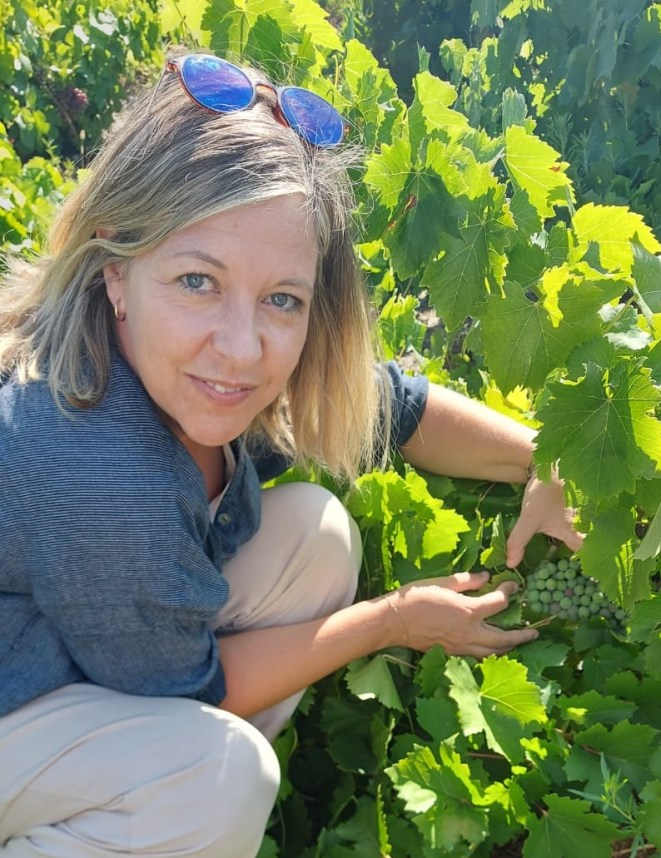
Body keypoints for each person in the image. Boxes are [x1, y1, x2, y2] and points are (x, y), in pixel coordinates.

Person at [0, 53, 582, 857]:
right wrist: (391, 621)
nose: (243, 349)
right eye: (198, 281)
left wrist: (545, 462)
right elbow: (193, 692)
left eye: (282, 298)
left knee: (316, 537)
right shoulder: (93, 464)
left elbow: (394, 406)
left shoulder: (180, 364)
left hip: (65, 639)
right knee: (219, 779)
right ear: (116, 269)